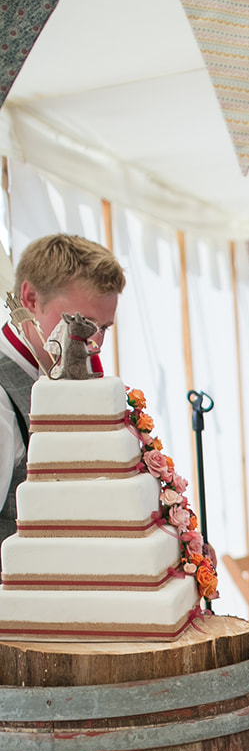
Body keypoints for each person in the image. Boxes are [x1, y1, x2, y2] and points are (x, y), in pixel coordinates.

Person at [1, 234, 125, 546]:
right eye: (82, 322)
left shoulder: (57, 376)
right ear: (31, 299)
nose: (95, 343)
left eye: (104, 328)